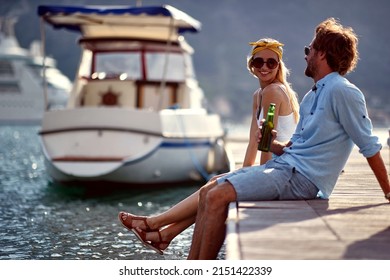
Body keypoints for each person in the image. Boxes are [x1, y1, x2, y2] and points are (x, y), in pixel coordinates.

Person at [181, 17, 390, 259]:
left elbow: (369, 145)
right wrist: (272, 143)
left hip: (301, 178)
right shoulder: (313, 95)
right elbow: (294, 147)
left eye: (309, 50)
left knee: (218, 195)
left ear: (322, 54)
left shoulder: (343, 91)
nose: (305, 55)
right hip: (286, 168)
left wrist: (387, 192)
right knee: (210, 190)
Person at [118, 38, 300, 255]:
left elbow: (266, 143)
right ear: (251, 65)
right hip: (272, 166)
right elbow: (254, 139)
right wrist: (244, 169)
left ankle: (155, 225)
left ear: (279, 66)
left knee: (215, 185)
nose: (264, 67)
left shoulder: (274, 91)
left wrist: (254, 175)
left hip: (279, 170)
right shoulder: (259, 95)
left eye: (271, 62)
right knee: (215, 183)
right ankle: (163, 235)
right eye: (259, 61)